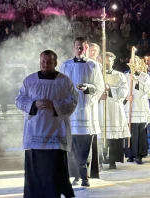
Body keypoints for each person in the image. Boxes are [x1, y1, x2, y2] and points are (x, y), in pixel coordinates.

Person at [15, 50, 77, 198]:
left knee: (54, 171)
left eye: (49, 62)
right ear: (40, 61)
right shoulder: (30, 80)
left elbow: (73, 101)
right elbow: (19, 100)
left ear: (55, 63)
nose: (46, 64)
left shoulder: (64, 81)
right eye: (43, 61)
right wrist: (34, 103)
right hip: (34, 133)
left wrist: (54, 105)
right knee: (35, 171)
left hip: (56, 133)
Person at [60, 37, 105, 187]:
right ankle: (76, 176)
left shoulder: (93, 65)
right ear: (74, 48)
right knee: (72, 147)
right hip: (71, 112)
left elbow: (100, 87)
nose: (79, 49)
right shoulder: (66, 65)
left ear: (86, 48)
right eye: (77, 46)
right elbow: (60, 86)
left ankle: (84, 175)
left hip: (86, 110)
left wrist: (88, 88)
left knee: (85, 145)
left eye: (82, 47)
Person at [99, 52, 131, 169]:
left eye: (109, 60)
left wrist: (110, 89)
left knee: (112, 137)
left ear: (113, 61)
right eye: (105, 60)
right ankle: (100, 161)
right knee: (101, 137)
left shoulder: (119, 75)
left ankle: (112, 161)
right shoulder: (97, 75)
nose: (107, 62)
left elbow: (124, 91)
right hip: (100, 108)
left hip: (114, 109)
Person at [124, 56, 150, 164]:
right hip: (129, 107)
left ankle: (140, 155)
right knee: (130, 131)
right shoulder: (124, 76)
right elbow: (121, 90)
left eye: (135, 62)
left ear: (139, 64)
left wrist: (137, 81)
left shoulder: (144, 76)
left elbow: (149, 91)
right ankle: (130, 154)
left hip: (141, 107)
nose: (133, 64)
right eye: (131, 62)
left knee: (141, 132)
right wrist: (126, 98)